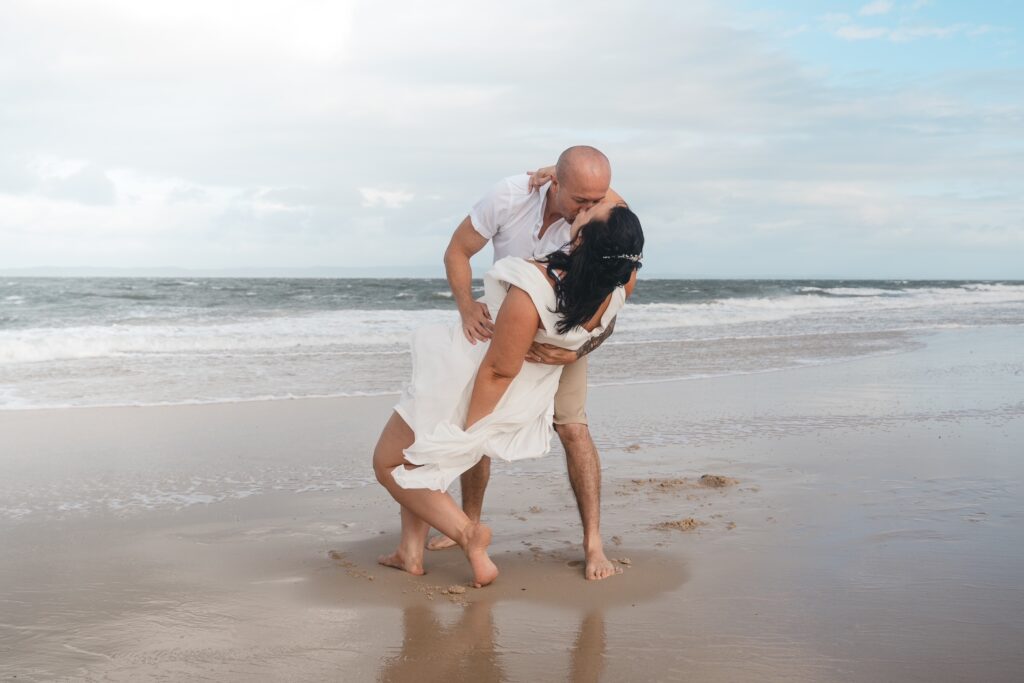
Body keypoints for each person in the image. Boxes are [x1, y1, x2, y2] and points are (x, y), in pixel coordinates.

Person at [372, 202, 644, 587]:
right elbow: (600, 327)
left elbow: (499, 370)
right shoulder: (617, 285)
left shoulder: (535, 284)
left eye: (586, 215)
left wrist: (470, 433)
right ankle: (409, 552)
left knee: (390, 463)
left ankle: (469, 535)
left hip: (464, 378)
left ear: (583, 239)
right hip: (526, 391)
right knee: (421, 456)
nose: (581, 211)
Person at [429, 146, 631, 581]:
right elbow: (457, 251)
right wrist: (467, 307)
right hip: (508, 324)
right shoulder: (509, 195)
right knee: (476, 415)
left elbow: (618, 294)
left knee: (573, 428)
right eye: (582, 200)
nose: (592, 208)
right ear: (554, 183)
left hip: (563, 334)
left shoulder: (602, 214)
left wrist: (579, 349)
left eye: (600, 198)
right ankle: (468, 523)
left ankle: (593, 542)